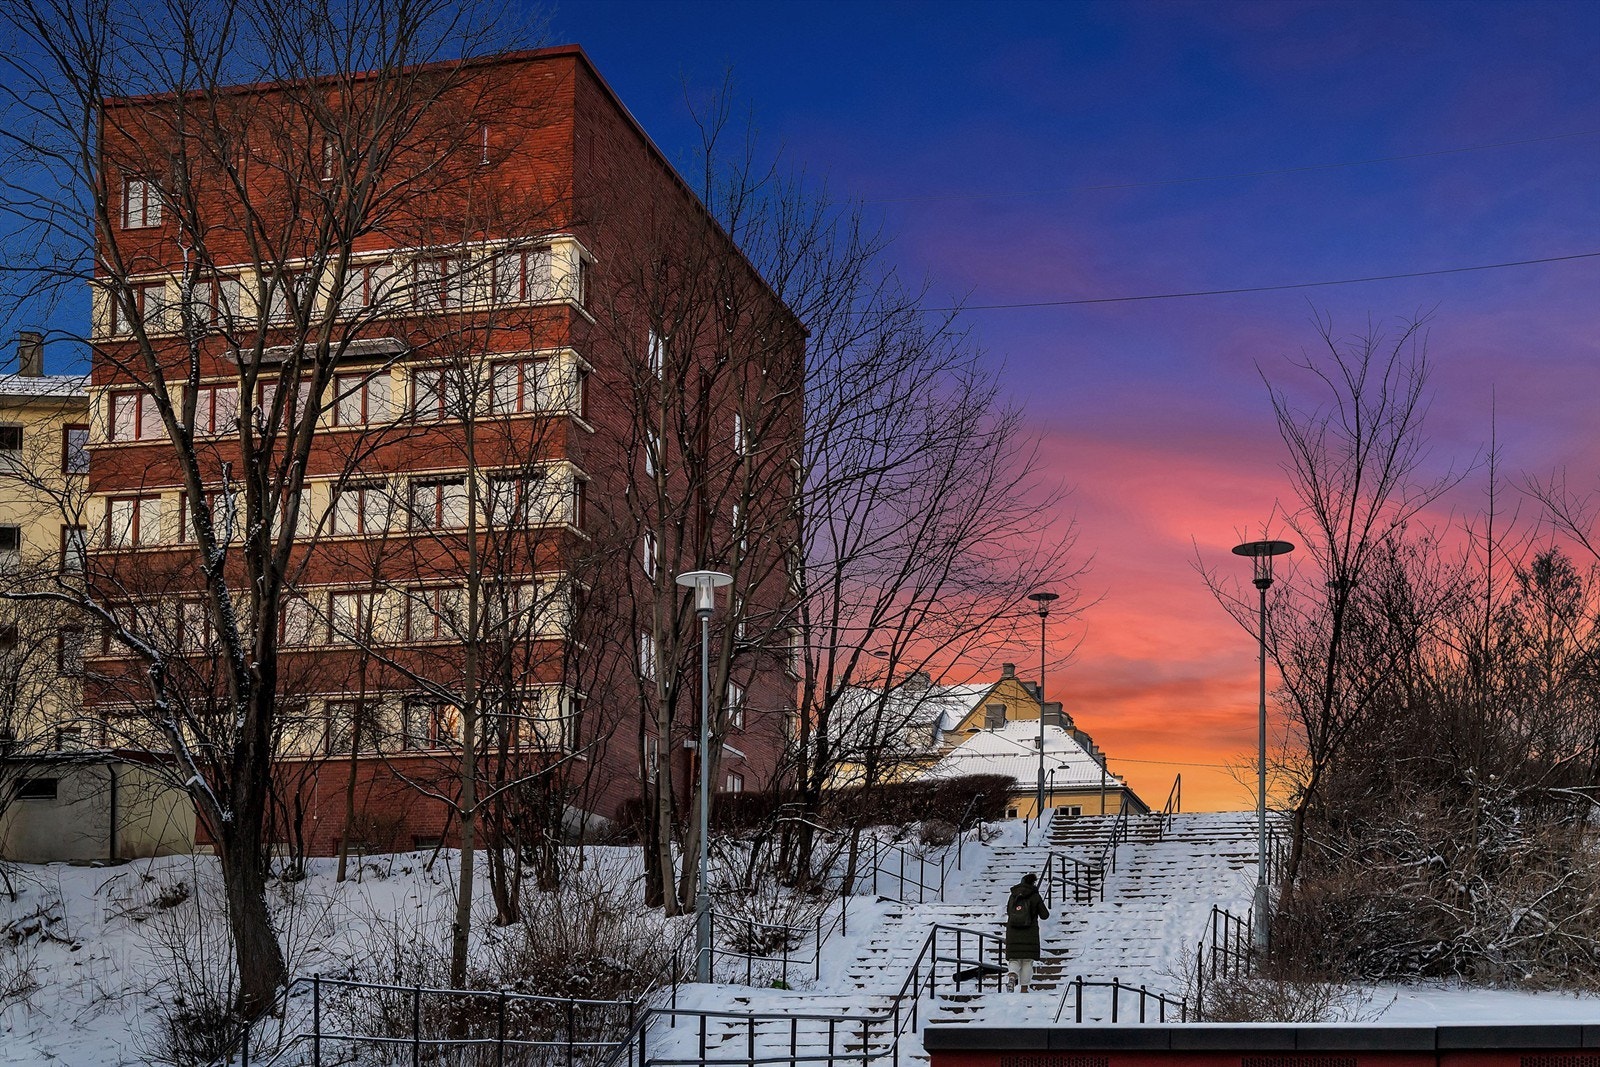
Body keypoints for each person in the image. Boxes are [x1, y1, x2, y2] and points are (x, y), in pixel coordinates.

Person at [1004, 871, 1049, 992]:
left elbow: (1009, 911)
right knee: (1027, 961)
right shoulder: (1034, 896)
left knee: (1014, 958)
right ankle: (1024, 988)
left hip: (1013, 932)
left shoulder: (1013, 895)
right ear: (1033, 883)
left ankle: (1012, 975)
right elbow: (1045, 915)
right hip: (1030, 933)